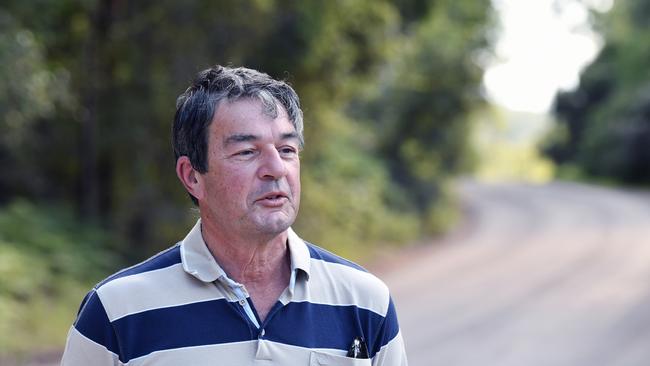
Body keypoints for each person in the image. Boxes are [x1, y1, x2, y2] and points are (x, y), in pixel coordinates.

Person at [61, 65, 408, 365]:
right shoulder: (117, 312)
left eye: (287, 149)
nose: (275, 168)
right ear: (192, 176)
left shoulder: (365, 301)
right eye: (246, 152)